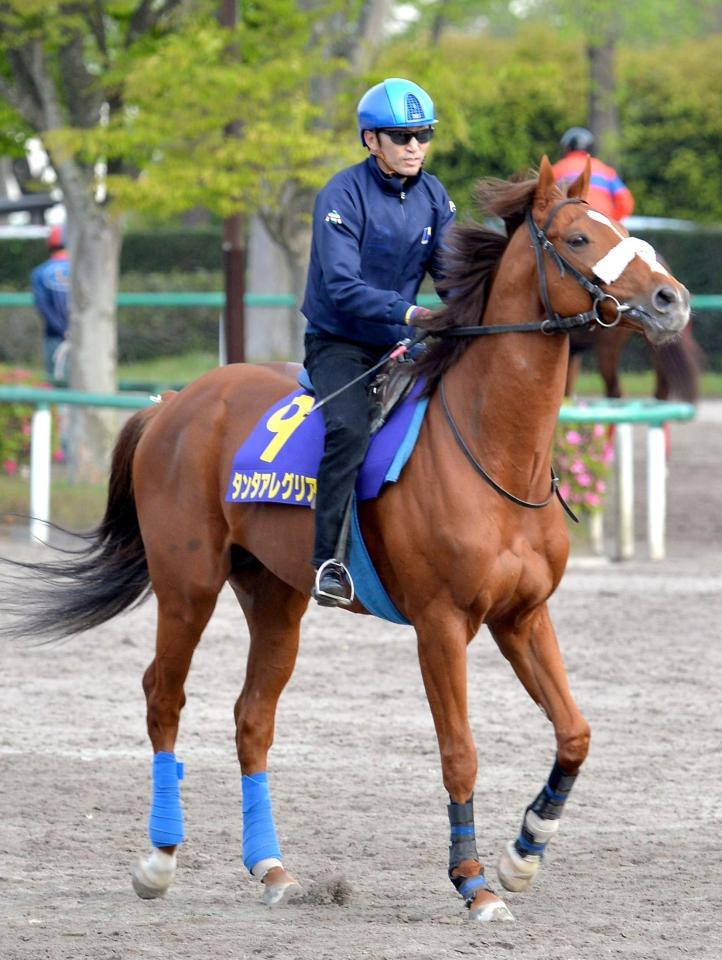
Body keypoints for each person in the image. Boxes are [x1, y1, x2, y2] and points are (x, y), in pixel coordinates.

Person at [301, 77, 456, 607]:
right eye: (401, 136)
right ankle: (328, 562)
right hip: (339, 343)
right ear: (371, 140)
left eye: (424, 134)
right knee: (348, 429)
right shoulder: (340, 194)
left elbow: (452, 276)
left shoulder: (435, 196)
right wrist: (411, 312)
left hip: (403, 343)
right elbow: (342, 287)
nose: (415, 146)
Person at [552, 127, 634, 222]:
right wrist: (611, 220)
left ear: (567, 147)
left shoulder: (556, 170)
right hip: (602, 223)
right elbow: (625, 201)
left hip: (570, 224)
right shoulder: (606, 170)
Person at [30, 223, 70, 381]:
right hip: (84, 335)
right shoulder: (82, 269)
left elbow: (43, 306)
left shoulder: (39, 272)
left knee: (55, 382)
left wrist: (63, 330)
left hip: (54, 335)